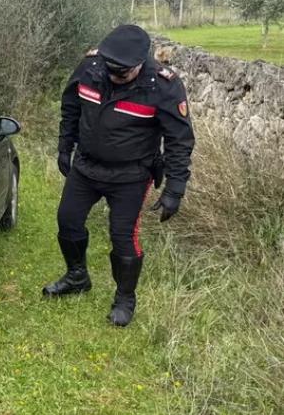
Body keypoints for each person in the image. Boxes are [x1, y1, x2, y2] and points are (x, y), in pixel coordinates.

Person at [44, 24, 195, 327]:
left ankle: (125, 298)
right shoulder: (91, 66)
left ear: (140, 64)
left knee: (123, 236)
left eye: (122, 74)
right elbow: (71, 104)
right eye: (110, 71)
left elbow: (179, 140)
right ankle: (77, 276)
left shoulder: (164, 86)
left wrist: (175, 189)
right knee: (68, 220)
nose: (114, 77)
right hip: (86, 166)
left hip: (132, 175)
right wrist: (65, 145)